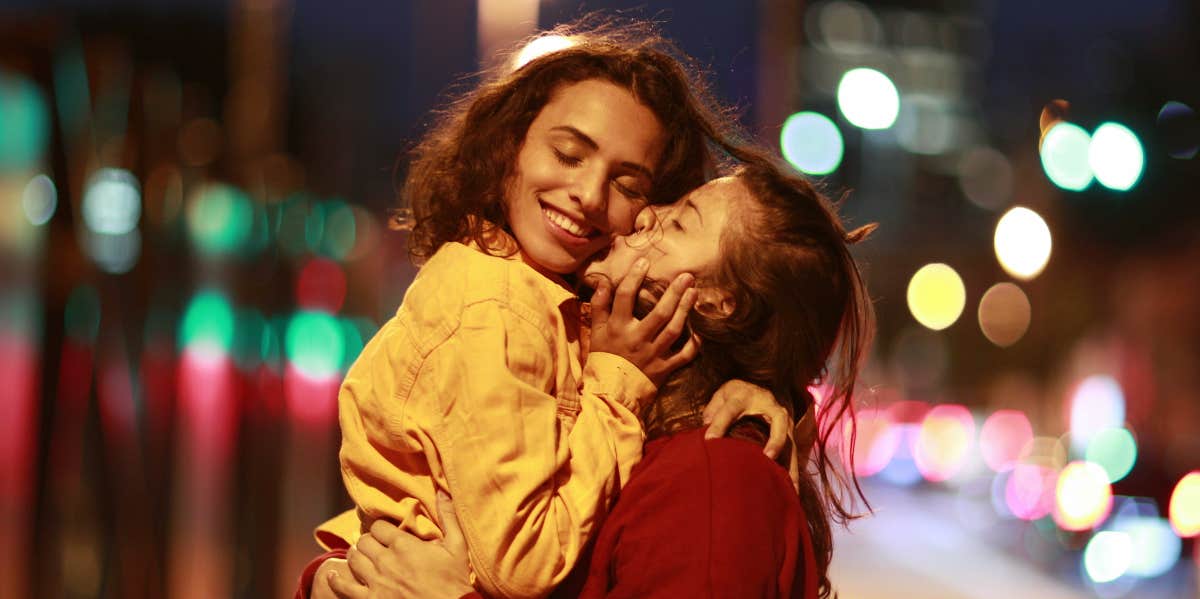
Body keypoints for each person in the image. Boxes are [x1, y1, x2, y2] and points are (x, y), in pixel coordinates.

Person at [303, 18, 798, 599]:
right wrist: (618, 385)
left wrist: (763, 389)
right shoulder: (497, 304)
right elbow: (518, 562)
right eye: (568, 154)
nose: (590, 195)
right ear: (510, 144)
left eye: (630, 186)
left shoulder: (563, 305)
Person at [325, 160, 877, 599]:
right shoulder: (615, 421)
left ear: (719, 302)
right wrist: (331, 580)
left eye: (680, 222)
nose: (644, 216)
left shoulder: (714, 475)